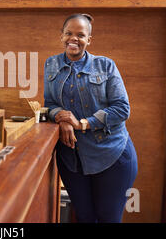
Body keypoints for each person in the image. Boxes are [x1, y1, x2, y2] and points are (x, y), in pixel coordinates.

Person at [44, 13, 138, 223]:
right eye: (68, 33)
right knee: (84, 218)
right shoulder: (51, 64)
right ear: (61, 36)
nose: (73, 39)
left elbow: (122, 108)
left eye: (80, 35)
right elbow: (49, 103)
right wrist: (61, 117)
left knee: (108, 219)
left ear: (89, 39)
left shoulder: (105, 66)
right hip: (72, 158)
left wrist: (84, 123)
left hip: (112, 154)